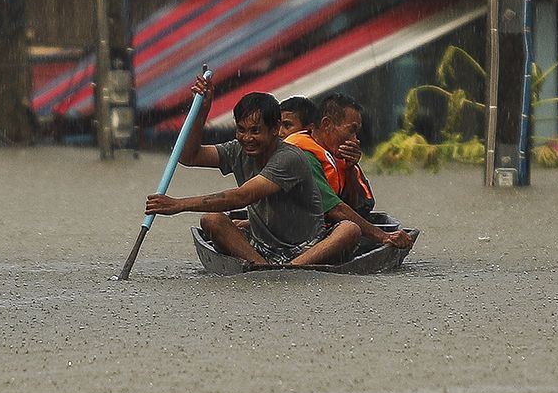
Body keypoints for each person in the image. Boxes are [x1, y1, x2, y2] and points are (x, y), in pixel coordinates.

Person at [145, 83, 408, 266]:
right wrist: (203, 109)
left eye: (255, 131)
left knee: (349, 230)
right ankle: (260, 266)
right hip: (263, 247)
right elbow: (189, 156)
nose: (247, 138)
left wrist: (178, 205)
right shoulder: (238, 149)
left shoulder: (290, 157)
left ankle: (293, 268)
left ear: (274, 130)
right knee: (211, 220)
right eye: (241, 129)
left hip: (307, 245)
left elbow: (242, 197)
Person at [311, 92, 378, 217]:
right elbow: (335, 211)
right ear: (327, 124)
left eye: (356, 133)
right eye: (351, 130)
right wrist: (382, 236)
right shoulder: (303, 155)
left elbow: (361, 209)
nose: (356, 140)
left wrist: (350, 170)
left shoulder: (343, 160)